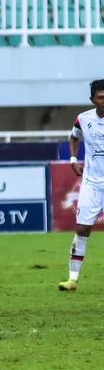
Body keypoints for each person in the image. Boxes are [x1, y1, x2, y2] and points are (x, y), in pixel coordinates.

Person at [60, 79, 104, 291]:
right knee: (83, 227)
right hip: (92, 183)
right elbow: (74, 137)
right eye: (101, 98)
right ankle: (72, 279)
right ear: (92, 100)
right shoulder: (83, 119)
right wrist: (72, 159)